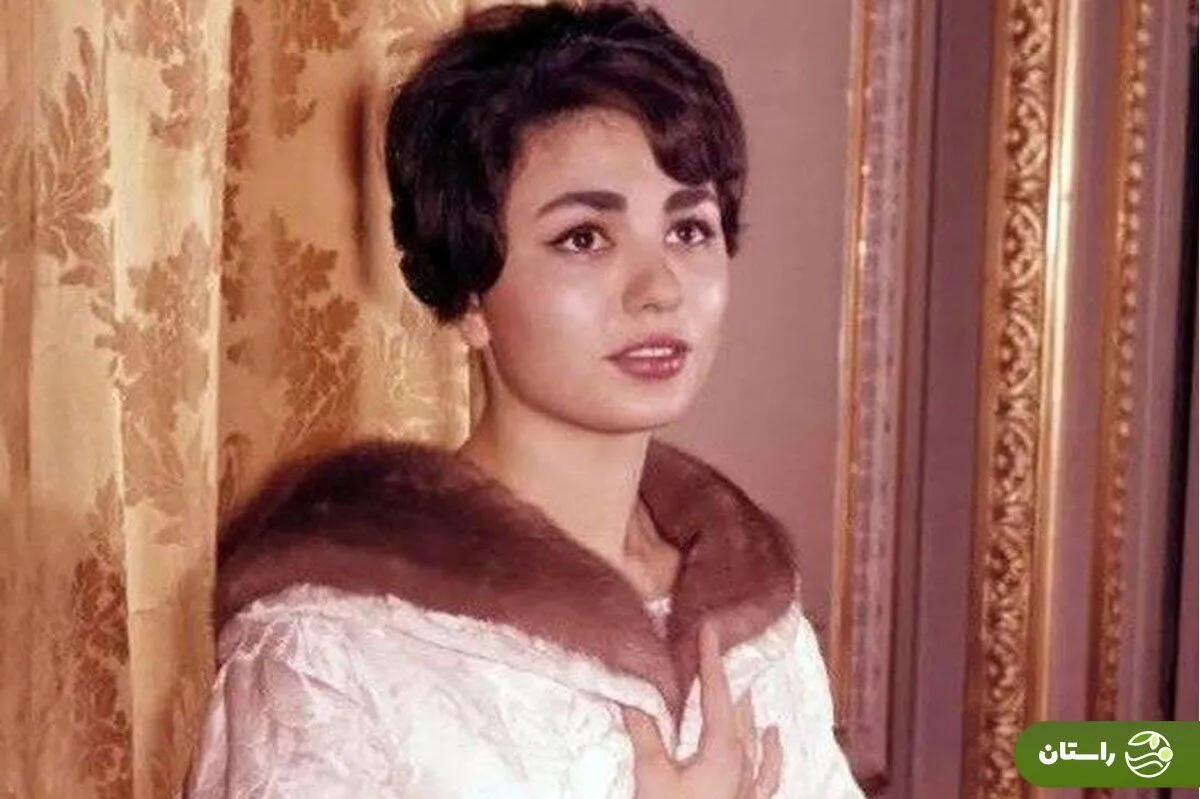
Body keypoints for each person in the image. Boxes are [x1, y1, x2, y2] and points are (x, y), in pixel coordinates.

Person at [184, 2, 864, 796]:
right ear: (469, 295)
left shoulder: (755, 623)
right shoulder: (335, 647)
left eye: (689, 231)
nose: (659, 288)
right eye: (584, 238)